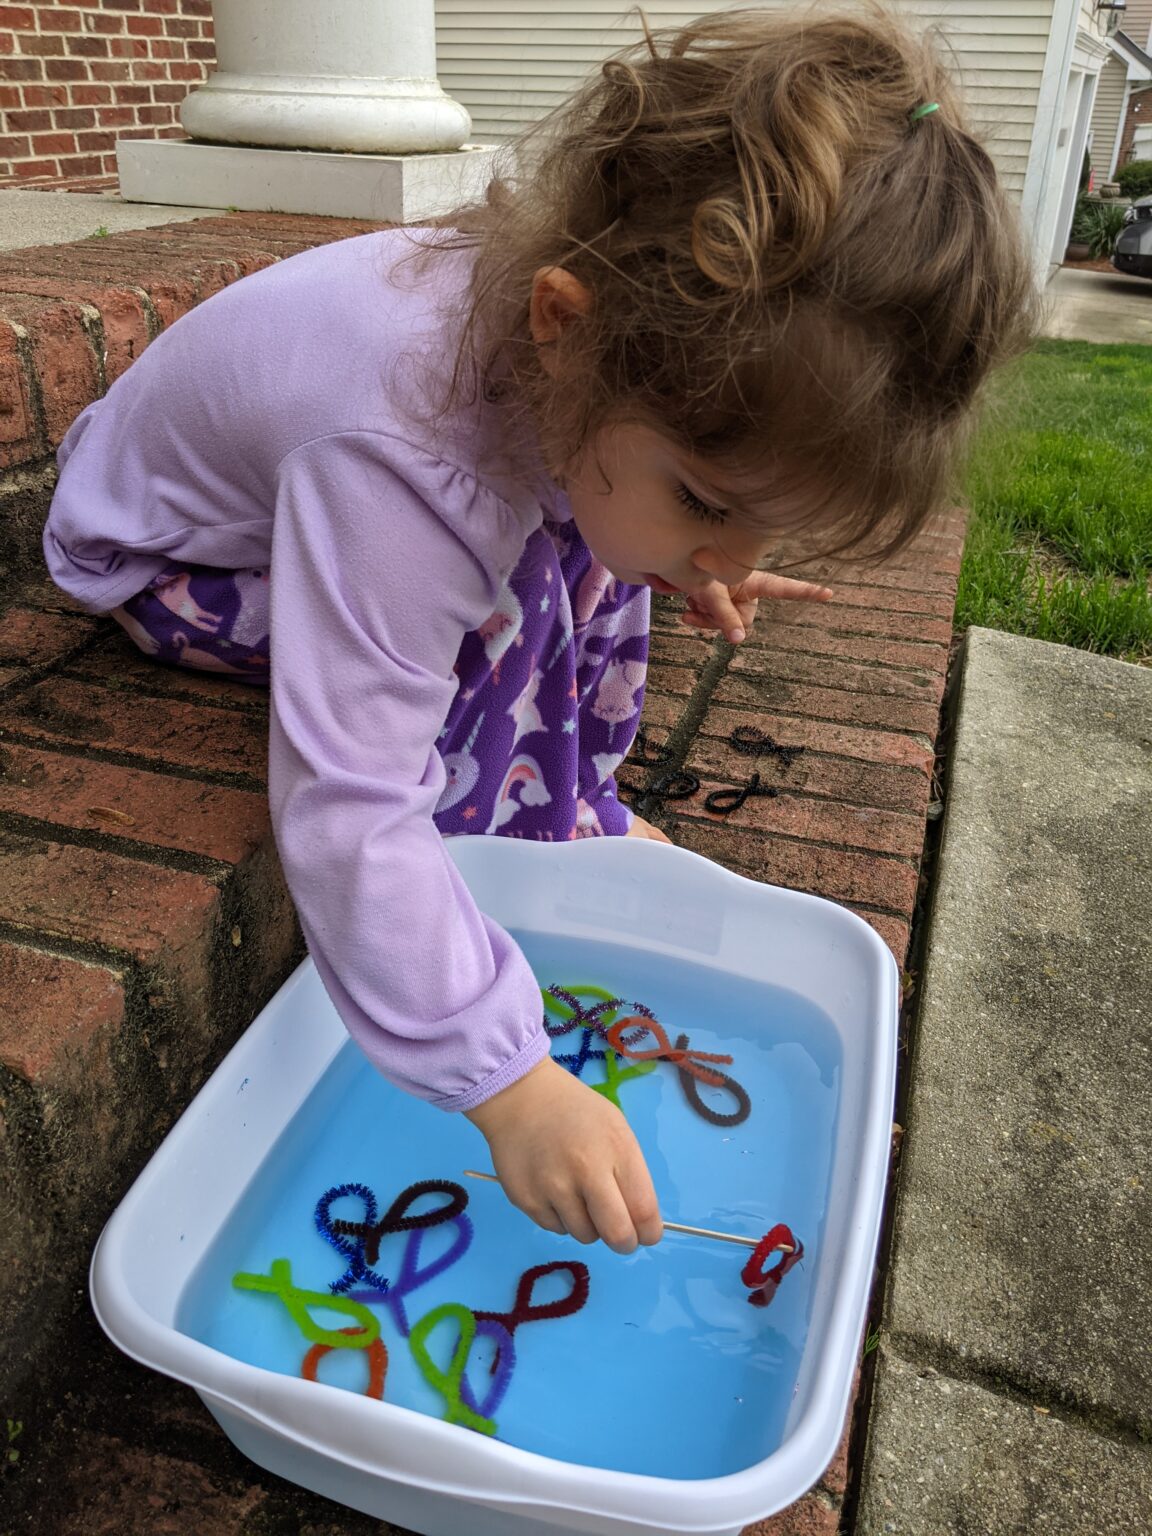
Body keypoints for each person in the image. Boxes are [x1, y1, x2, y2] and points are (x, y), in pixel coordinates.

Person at [42, 6, 1035, 1255]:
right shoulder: (409, 462)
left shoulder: (575, 346)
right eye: (715, 508)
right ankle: (515, 850)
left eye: (768, 532)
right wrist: (507, 1080)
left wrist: (694, 547)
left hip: (337, 488)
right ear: (565, 322)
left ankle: (564, 813)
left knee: (591, 536)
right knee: (512, 596)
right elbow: (347, 805)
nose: (735, 560)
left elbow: (615, 491)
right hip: (162, 556)